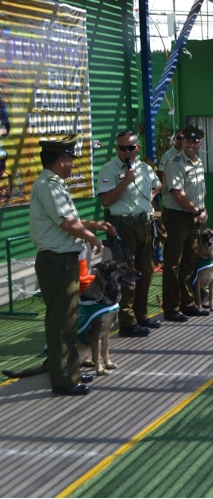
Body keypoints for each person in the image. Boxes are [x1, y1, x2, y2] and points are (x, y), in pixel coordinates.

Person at [29, 135, 116, 396]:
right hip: (56, 262)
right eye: (69, 160)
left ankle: (70, 373)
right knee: (61, 322)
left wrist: (94, 225)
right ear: (60, 160)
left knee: (67, 321)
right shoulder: (49, 186)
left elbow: (69, 220)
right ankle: (64, 380)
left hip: (62, 261)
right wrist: (91, 237)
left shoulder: (53, 184)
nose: (71, 165)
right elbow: (66, 224)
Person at [97, 130, 161, 336]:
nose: (127, 152)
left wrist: (147, 201)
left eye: (130, 148)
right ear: (117, 149)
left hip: (144, 225)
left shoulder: (144, 167)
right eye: (122, 148)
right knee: (126, 274)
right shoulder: (109, 169)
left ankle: (141, 315)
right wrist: (125, 180)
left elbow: (157, 185)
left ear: (138, 148)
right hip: (122, 227)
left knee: (146, 271)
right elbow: (105, 200)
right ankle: (127, 322)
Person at [161, 123, 209, 322]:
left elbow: (198, 192)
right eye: (187, 140)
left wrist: (203, 210)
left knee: (189, 262)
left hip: (192, 217)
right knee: (173, 264)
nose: (191, 144)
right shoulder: (175, 162)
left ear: (200, 143)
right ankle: (171, 308)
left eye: (195, 141)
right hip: (177, 217)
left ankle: (187, 304)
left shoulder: (198, 163)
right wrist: (197, 211)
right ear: (182, 141)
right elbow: (178, 194)